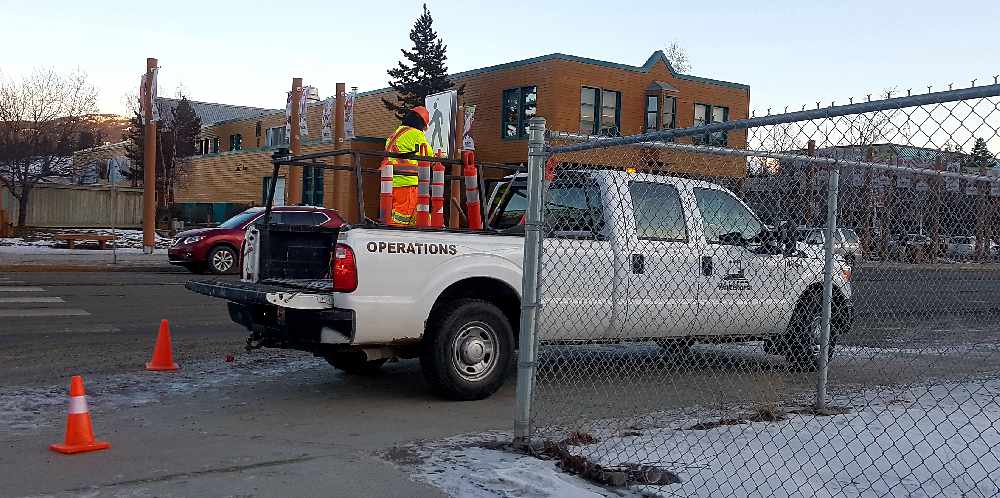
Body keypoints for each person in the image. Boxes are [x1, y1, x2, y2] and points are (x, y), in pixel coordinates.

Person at [383, 106, 430, 226]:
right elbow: (428, 154)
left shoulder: (394, 134)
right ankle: (393, 237)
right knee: (402, 216)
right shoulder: (415, 133)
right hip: (407, 182)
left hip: (392, 183)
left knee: (410, 213)